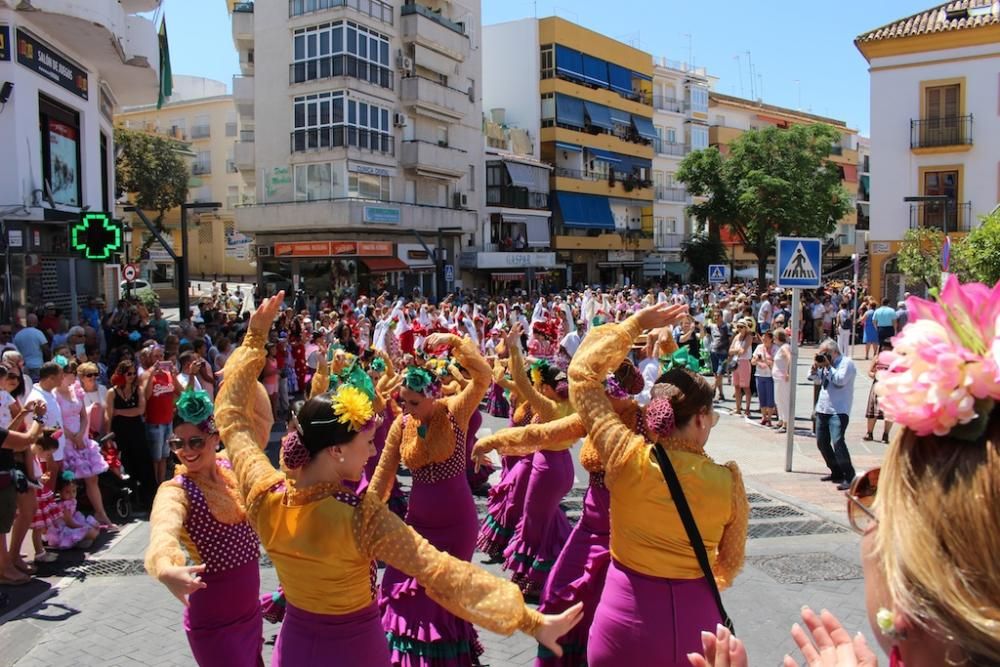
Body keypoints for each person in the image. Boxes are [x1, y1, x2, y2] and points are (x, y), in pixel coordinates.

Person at [214, 293, 582, 666]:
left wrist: (253, 341)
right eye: (365, 443)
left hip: (293, 649)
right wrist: (528, 619)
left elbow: (232, 419)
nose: (371, 453)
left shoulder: (263, 490)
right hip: (355, 650)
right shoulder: (363, 520)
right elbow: (441, 571)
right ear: (337, 450)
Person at [690, 274, 1000, 667]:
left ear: (918, 574)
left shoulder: (846, 365)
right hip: (824, 412)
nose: (867, 521)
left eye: (876, 497)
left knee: (836, 444)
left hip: (835, 411)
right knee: (826, 444)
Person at [568, 303, 748, 667]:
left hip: (624, 618)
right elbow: (729, 563)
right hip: (698, 625)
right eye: (711, 416)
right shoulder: (727, 481)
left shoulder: (624, 454)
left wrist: (633, 325)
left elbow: (581, 375)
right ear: (700, 420)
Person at [371, 330, 494, 665]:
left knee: (443, 600)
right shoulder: (401, 425)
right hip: (418, 525)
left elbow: (483, 376)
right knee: (401, 590)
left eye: (413, 402)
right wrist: (366, 513)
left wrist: (454, 342)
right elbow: (383, 472)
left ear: (431, 395)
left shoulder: (455, 410)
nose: (407, 409)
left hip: (456, 525)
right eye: (403, 402)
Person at [145, 387, 265, 666]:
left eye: (195, 442)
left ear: (215, 438)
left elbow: (259, 422)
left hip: (250, 616)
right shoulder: (177, 489)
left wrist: (248, 362)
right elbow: (164, 527)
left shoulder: (230, 466)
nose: (186, 451)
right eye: (178, 443)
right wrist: (165, 567)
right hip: (214, 625)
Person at [503, 323, 575, 598]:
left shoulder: (548, 405)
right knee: (548, 516)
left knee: (534, 520)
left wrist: (514, 349)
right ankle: (560, 563)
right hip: (564, 466)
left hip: (546, 467)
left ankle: (536, 579)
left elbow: (521, 383)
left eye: (539, 384)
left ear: (546, 387)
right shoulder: (571, 403)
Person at [55, 361, 114, 528]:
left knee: (92, 477)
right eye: (68, 373)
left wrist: (81, 434)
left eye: (72, 372)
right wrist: (73, 437)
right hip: (66, 440)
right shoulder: (54, 394)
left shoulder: (76, 390)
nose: (71, 376)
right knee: (68, 482)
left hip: (81, 438)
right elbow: (56, 420)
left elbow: (83, 415)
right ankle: (69, 518)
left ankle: (100, 513)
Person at [106, 360, 155, 509]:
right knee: (126, 463)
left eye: (134, 373)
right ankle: (132, 499)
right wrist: (108, 435)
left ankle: (148, 498)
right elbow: (108, 415)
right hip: (120, 432)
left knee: (143, 463)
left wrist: (119, 412)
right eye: (129, 373)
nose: (132, 376)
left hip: (136, 430)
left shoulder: (137, 389)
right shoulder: (112, 392)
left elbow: (140, 410)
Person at [813, 339, 857, 490]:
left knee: (838, 442)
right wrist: (815, 368)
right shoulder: (825, 365)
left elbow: (840, 380)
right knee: (821, 443)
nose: (822, 356)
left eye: (824, 353)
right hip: (823, 408)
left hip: (838, 410)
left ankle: (850, 476)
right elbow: (816, 380)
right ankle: (836, 471)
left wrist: (828, 366)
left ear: (833, 352)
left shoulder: (847, 363)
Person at [863, 339, 893, 444]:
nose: (887, 349)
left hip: (890, 388)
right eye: (885, 347)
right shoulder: (877, 358)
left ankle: (886, 435)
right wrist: (875, 375)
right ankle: (869, 433)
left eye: (889, 347)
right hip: (877, 386)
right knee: (872, 411)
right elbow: (869, 372)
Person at [728, 319, 753, 417]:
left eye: (741, 327)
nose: (739, 329)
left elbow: (743, 351)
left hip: (744, 362)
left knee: (746, 387)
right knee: (736, 386)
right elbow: (730, 351)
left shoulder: (749, 337)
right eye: (738, 327)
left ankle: (747, 409)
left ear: (746, 327)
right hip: (736, 362)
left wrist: (736, 350)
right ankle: (738, 408)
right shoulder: (737, 337)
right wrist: (737, 351)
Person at [751, 331, 776, 428]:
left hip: (770, 375)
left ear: (771, 339)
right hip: (759, 374)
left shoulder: (775, 348)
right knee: (762, 397)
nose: (764, 340)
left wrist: (765, 360)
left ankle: (769, 418)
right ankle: (763, 417)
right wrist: (757, 359)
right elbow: (752, 362)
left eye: (766, 338)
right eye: (763, 338)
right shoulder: (759, 348)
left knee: (770, 397)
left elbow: (774, 362)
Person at [14, 314, 49, 382]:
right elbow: (46, 349)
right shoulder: (38, 333)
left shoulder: (18, 335)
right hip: (37, 365)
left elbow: (16, 352)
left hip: (24, 367)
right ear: (36, 322)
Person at [706, 311, 731, 403]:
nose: (716, 317)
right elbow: (704, 331)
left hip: (723, 352)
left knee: (720, 373)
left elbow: (730, 339)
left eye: (717, 316)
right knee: (716, 374)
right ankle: (721, 394)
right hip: (713, 351)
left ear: (721, 316)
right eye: (714, 316)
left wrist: (730, 351)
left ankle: (712, 389)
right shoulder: (712, 326)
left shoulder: (727, 326)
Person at [771, 329, 792, 434]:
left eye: (774, 337)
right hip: (777, 378)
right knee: (778, 399)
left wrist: (787, 372)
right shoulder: (780, 348)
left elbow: (789, 357)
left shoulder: (785, 347)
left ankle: (786, 423)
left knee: (783, 399)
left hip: (782, 378)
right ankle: (780, 420)